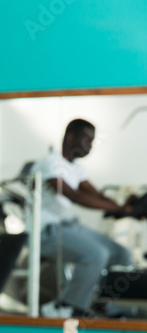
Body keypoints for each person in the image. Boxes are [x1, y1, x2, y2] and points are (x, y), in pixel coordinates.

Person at [36, 118, 135, 318]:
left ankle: (103, 304)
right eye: (87, 140)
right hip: (46, 231)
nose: (90, 147)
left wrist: (125, 208)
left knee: (122, 254)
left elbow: (95, 195)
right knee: (96, 254)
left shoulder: (77, 169)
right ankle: (65, 307)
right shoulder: (49, 162)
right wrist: (120, 208)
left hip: (70, 226)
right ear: (71, 136)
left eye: (92, 141)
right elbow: (73, 195)